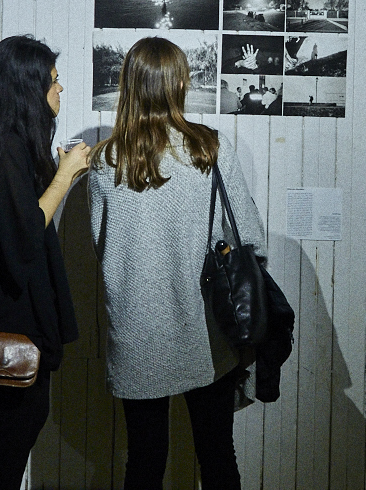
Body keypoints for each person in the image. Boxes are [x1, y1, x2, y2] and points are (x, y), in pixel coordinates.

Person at [88, 37, 267, 490]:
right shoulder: (210, 148)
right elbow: (247, 238)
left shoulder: (105, 161)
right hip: (206, 329)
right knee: (217, 456)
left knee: (144, 461)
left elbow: (100, 245)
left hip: (136, 332)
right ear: (180, 83)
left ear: (128, 85)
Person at [0, 35, 90, 490]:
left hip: (9, 318)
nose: (60, 89)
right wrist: (65, 177)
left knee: (5, 440)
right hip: (13, 321)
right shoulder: (6, 149)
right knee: (5, 445)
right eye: (53, 80)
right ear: (29, 89)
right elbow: (24, 237)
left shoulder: (3, 145)